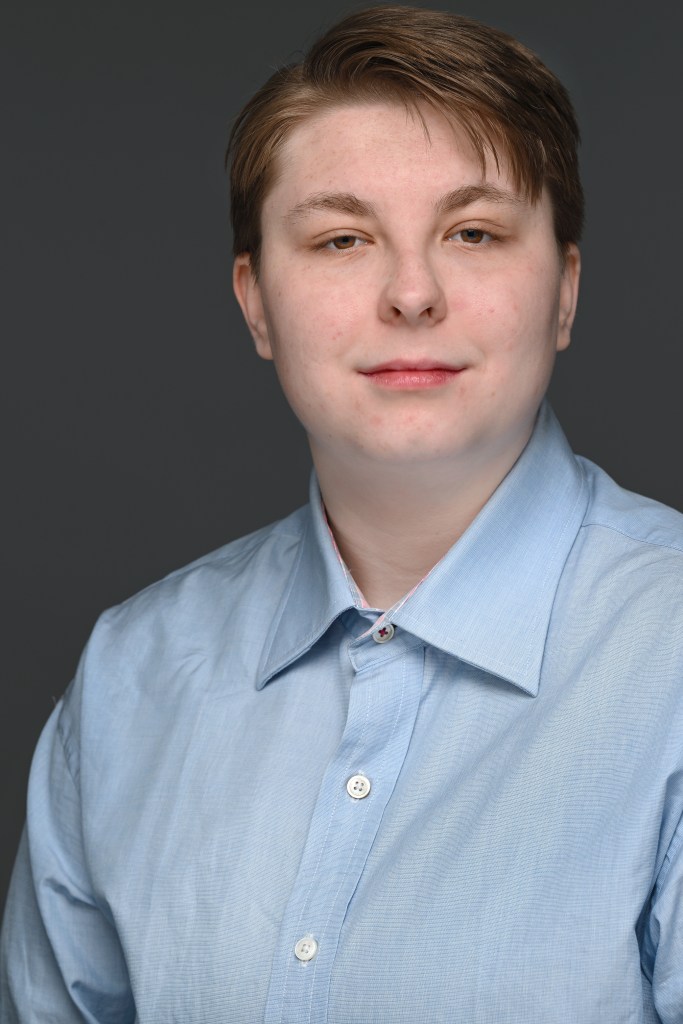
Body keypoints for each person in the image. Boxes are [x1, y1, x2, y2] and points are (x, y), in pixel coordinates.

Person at [2, 5, 682, 1021]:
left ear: (564, 291)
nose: (411, 293)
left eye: (472, 232)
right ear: (255, 304)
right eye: (341, 239)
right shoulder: (130, 680)